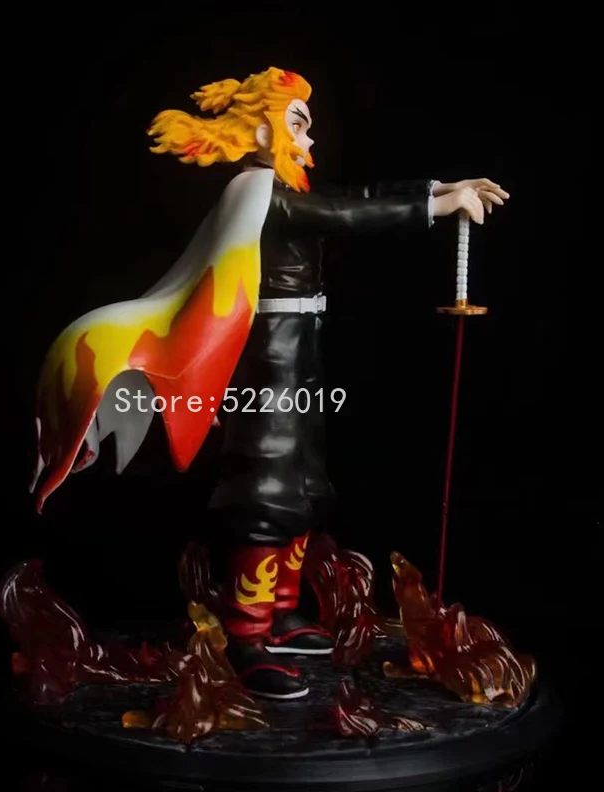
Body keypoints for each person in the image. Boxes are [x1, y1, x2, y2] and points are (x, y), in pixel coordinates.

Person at [30, 66, 508, 700]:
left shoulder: (277, 187)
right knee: (268, 485)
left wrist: (437, 189)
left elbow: (348, 197)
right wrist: (431, 206)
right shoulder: (257, 193)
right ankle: (245, 631)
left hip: (298, 349)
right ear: (260, 129)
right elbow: (339, 213)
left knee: (304, 480)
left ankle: (279, 613)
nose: (309, 140)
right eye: (297, 124)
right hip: (267, 361)